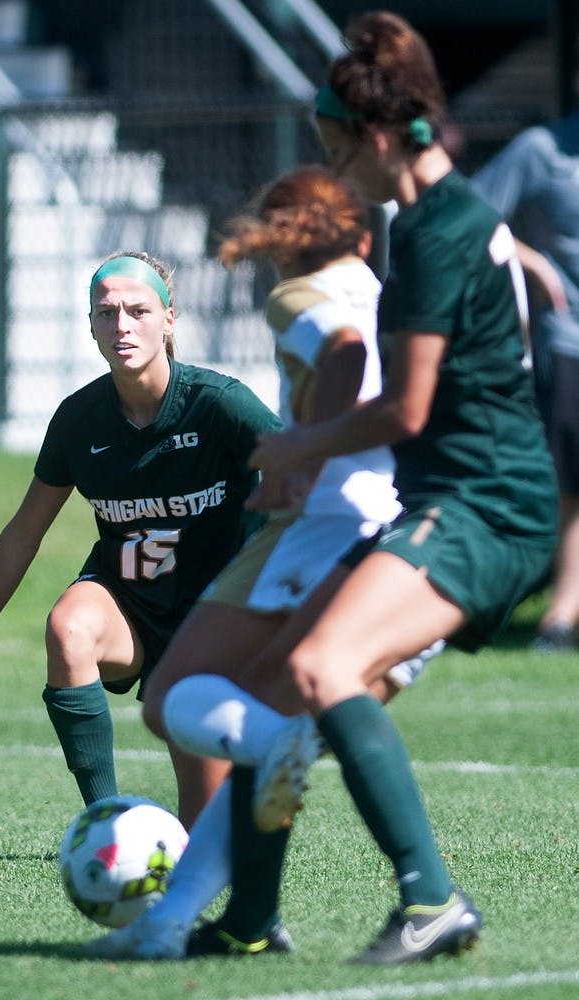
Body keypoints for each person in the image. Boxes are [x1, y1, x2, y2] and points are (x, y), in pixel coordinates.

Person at [94, 10, 559, 966]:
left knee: (311, 678)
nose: (337, 173)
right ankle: (242, 917)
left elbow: (405, 410)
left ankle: (429, 898)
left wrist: (287, 450)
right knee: (285, 702)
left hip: (478, 505)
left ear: (380, 136)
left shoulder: (433, 232)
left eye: (339, 149)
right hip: (464, 499)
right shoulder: (462, 216)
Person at [85, 165, 444, 962]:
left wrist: (306, 451)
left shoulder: (296, 295)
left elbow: (343, 356)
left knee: (173, 698)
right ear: (357, 233)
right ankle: (196, 921)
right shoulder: (379, 286)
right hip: (400, 522)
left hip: (322, 527)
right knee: (264, 728)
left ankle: (265, 791)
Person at [0, 250, 282, 829]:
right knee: (68, 627)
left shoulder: (219, 404)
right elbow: (23, 535)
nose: (122, 325)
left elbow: (302, 475)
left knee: (207, 815)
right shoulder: (79, 420)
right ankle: (106, 827)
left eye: (138, 310)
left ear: (169, 318)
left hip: (214, 616)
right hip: (131, 604)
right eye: (106, 313)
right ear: (91, 326)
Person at [470, 40, 579, 651]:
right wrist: (529, 259)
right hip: (569, 343)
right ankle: (560, 615)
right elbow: (470, 213)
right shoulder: (543, 149)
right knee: (567, 488)